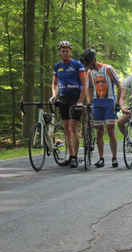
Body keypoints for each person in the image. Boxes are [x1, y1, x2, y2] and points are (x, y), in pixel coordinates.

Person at [80, 47, 122, 168]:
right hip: (96, 103)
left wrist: (118, 102)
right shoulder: (89, 72)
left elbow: (119, 85)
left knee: (111, 130)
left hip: (109, 102)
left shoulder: (108, 69)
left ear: (93, 60)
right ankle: (101, 158)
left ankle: (114, 158)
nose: (87, 66)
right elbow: (89, 88)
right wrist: (89, 102)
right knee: (99, 131)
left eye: (88, 64)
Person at [50, 40, 87, 168]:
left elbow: (85, 84)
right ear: (60, 52)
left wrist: (81, 101)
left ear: (70, 52)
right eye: (62, 51)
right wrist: (54, 95)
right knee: (66, 128)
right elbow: (54, 83)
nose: (65, 53)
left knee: (73, 127)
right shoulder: (57, 66)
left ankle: (75, 157)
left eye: (67, 51)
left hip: (75, 99)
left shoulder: (77, 65)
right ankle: (71, 156)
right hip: (63, 99)